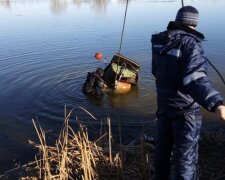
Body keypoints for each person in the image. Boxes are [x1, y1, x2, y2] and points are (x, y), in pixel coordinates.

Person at [151, 6, 225, 179]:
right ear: (194, 24)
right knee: (185, 159)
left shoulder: (159, 41)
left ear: (177, 20)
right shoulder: (190, 43)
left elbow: (156, 72)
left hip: (164, 106)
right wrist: (217, 104)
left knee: (162, 150)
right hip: (186, 111)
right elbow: (195, 81)